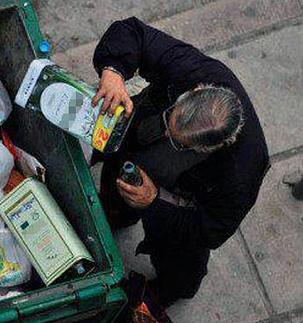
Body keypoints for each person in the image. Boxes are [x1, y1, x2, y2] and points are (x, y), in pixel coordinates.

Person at [92, 17, 269, 321]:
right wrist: (114, 72)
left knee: (181, 265)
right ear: (195, 90)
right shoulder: (196, 70)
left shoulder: (241, 173)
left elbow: (210, 229)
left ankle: (168, 289)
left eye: (178, 142)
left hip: (181, 196)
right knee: (117, 193)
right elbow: (133, 32)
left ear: (212, 147)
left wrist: (154, 203)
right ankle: (116, 215)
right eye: (171, 119)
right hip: (136, 144)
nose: (167, 137)